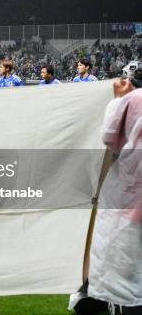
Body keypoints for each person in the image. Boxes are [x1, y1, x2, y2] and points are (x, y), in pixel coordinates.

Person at [86, 70, 141, 314]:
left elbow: (110, 137)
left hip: (132, 197)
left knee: (125, 271)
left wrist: (120, 100)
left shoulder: (135, 99)